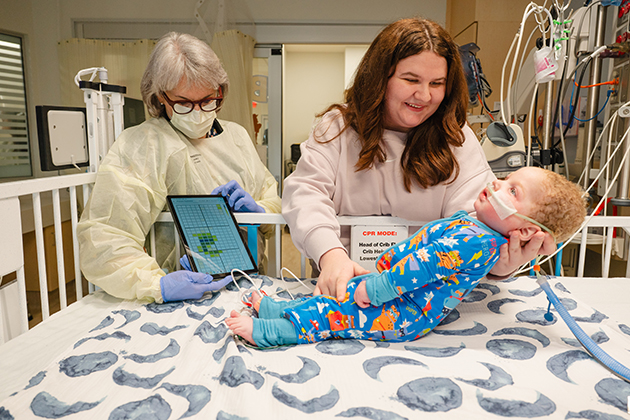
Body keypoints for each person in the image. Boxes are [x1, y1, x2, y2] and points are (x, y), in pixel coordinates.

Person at [282, 17, 556, 303]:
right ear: (380, 77)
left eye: (436, 83)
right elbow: (305, 195)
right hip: (343, 289)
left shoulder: (455, 140)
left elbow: (477, 224)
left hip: (426, 297)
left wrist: (501, 264)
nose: (424, 95)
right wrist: (331, 255)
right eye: (411, 80)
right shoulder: (337, 128)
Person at [226, 167, 587, 347]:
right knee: (333, 295)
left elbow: (425, 266)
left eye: (512, 190)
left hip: (402, 311)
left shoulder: (479, 242)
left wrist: (378, 288)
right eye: (505, 177)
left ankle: (276, 331)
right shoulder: (478, 226)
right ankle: (279, 309)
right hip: (393, 291)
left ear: (524, 230)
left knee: (337, 316)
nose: (496, 182)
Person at [77, 32, 281, 303]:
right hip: (182, 294)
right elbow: (104, 237)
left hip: (247, 285)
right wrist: (157, 285)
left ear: (220, 90)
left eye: (208, 100)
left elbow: (270, 195)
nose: (198, 112)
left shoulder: (237, 136)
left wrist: (261, 211)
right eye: (184, 103)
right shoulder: (145, 144)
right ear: (160, 97)